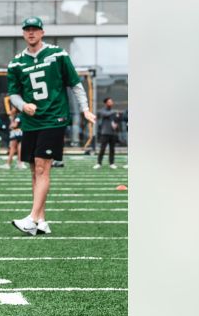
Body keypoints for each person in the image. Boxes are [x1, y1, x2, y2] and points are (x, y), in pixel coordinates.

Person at [7, 17, 96, 235]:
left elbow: (75, 83)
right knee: (34, 171)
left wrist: (85, 109)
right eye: (27, 30)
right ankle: (42, 221)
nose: (31, 33)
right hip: (31, 121)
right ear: (23, 33)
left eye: (35, 29)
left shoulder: (58, 55)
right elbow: (13, 93)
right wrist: (22, 105)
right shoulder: (16, 63)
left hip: (54, 118)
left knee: (42, 167)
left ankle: (32, 218)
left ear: (42, 32)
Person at [95, 97, 125, 169]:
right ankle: (99, 163)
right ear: (106, 103)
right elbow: (105, 114)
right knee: (102, 149)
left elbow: (118, 119)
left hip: (113, 133)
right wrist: (115, 112)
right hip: (105, 133)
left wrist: (116, 123)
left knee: (112, 149)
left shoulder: (113, 112)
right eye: (109, 102)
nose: (111, 103)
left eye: (111, 102)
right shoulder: (103, 111)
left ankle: (111, 163)